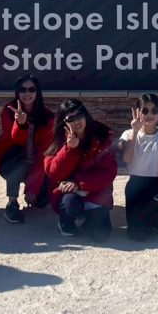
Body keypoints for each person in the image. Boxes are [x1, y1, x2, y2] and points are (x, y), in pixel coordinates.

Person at [45, 99, 117, 241]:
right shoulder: (57, 139)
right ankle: (66, 222)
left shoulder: (101, 137)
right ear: (63, 122)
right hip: (68, 194)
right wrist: (69, 149)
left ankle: (86, 219)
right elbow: (54, 173)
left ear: (85, 115)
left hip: (95, 192)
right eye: (70, 119)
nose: (77, 121)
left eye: (79, 115)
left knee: (100, 235)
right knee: (70, 203)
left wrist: (78, 181)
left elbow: (108, 172)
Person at [0, 74, 53, 223]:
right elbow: (15, 141)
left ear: (37, 91)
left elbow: (43, 153)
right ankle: (12, 203)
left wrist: (32, 188)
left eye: (31, 89)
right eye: (23, 89)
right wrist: (21, 124)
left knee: (41, 201)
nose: (27, 93)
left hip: (35, 162)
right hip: (12, 161)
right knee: (18, 158)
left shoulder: (47, 116)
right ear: (17, 92)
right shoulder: (9, 111)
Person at [119, 93, 158, 240]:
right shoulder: (128, 134)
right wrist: (135, 131)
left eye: (154, 110)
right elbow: (126, 158)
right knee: (137, 235)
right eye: (145, 110)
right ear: (138, 112)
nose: (150, 114)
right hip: (135, 185)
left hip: (155, 185)